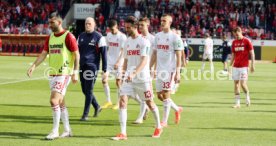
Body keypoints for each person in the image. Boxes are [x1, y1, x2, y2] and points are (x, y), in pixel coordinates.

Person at [27, 12, 79, 140]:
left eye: (52, 22)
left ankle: (55, 131)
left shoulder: (68, 36)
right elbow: (44, 53)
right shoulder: (50, 37)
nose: (50, 25)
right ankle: (67, 130)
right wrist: (34, 66)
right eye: (49, 22)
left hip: (64, 73)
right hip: (52, 73)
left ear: (59, 22)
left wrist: (75, 72)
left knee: (53, 100)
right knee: (61, 102)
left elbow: (76, 55)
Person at [111, 16, 162, 140]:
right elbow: (126, 60)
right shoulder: (127, 41)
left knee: (150, 103)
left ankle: (159, 126)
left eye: (128, 27)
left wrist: (134, 73)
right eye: (125, 27)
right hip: (129, 78)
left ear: (135, 27)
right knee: (123, 101)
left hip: (142, 78)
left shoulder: (144, 41)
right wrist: (122, 75)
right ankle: (123, 133)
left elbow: (145, 60)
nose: (126, 29)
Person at [150, 14, 183, 128]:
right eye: (161, 20)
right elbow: (154, 53)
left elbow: (179, 56)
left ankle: (164, 121)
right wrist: (150, 67)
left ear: (170, 22)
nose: (162, 22)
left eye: (164, 20)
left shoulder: (175, 37)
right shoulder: (157, 36)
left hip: (170, 70)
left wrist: (178, 72)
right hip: (159, 69)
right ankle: (177, 109)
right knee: (159, 96)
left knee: (166, 94)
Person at [77, 17, 107, 121]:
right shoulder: (80, 36)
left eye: (89, 23)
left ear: (94, 25)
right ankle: (97, 106)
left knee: (89, 90)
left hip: (92, 67)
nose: (87, 25)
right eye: (86, 23)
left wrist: (104, 70)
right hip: (82, 66)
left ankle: (85, 115)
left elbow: (104, 55)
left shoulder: (99, 37)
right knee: (84, 90)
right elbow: (76, 53)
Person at [101, 19, 127, 110]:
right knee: (104, 80)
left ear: (117, 26)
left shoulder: (122, 37)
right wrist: (105, 60)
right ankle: (108, 101)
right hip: (109, 61)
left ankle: (119, 102)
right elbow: (107, 48)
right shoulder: (108, 35)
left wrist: (118, 62)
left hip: (119, 62)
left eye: (113, 29)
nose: (111, 31)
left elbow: (123, 51)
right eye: (110, 29)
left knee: (118, 82)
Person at [230, 27, 255, 108]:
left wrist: (252, 65)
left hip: (244, 66)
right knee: (236, 84)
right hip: (236, 66)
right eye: (235, 35)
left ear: (240, 32)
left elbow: (252, 54)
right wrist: (230, 65)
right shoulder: (234, 42)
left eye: (237, 35)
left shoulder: (247, 41)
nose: (236, 37)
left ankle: (247, 96)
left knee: (243, 84)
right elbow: (233, 55)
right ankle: (237, 103)